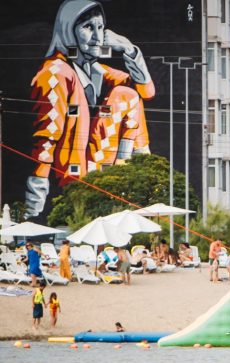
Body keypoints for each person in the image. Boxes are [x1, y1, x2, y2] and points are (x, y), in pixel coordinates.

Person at [25, 0, 155, 219]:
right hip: (71, 178)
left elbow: (146, 92)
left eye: (100, 27)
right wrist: (33, 209)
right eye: (88, 27)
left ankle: (140, 174)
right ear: (68, 30)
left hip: (102, 172)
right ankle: (140, 178)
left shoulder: (99, 71)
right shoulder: (55, 73)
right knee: (125, 94)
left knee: (128, 94)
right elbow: (45, 141)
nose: (97, 36)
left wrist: (128, 48)